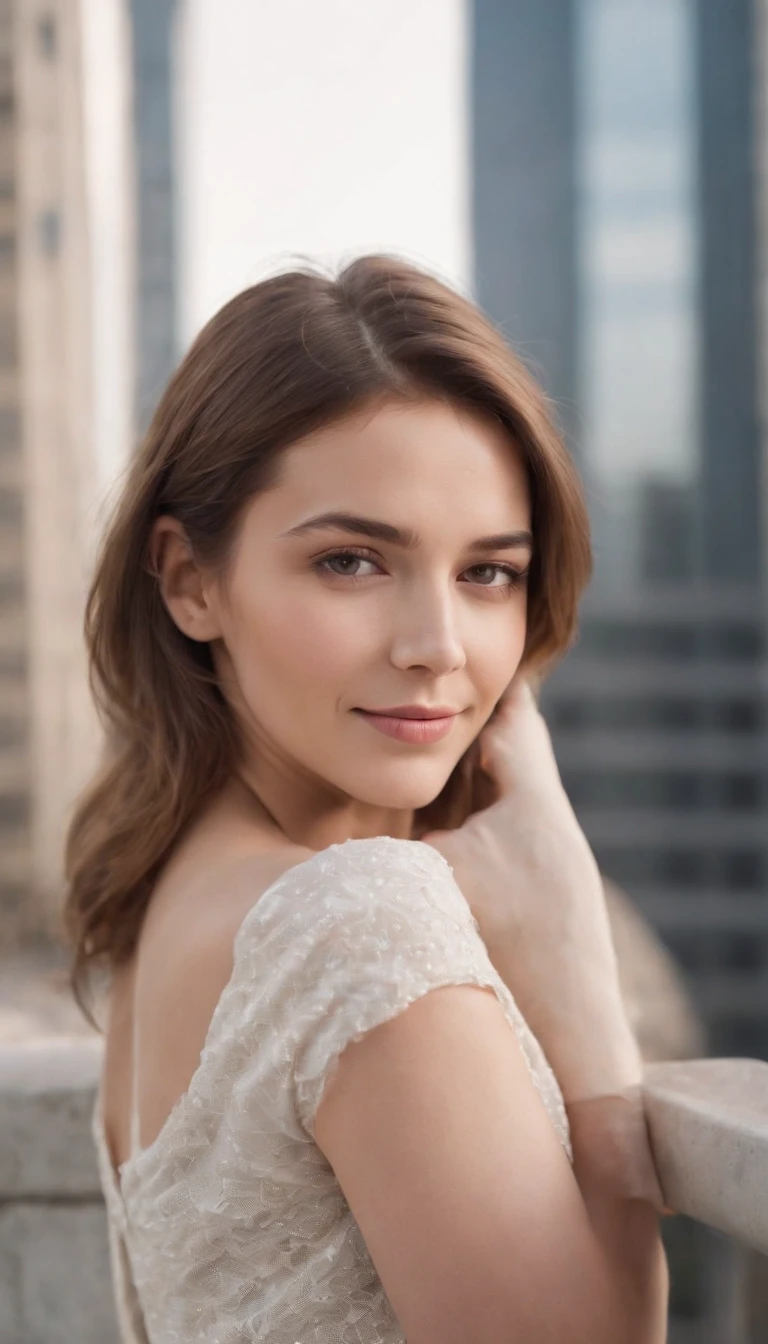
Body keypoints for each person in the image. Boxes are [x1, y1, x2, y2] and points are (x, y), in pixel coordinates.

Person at [64, 254, 670, 1343]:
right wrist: (581, 989)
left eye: (488, 573)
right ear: (190, 580)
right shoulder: (355, 920)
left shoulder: (168, 896)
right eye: (352, 562)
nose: (438, 649)